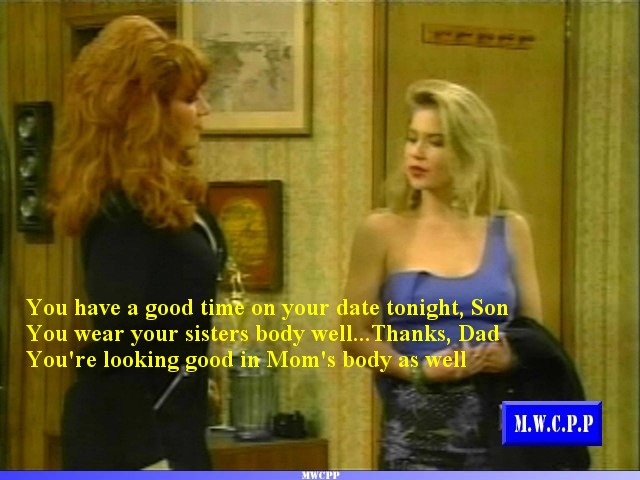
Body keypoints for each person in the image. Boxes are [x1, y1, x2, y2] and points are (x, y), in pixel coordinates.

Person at [48, 15, 226, 470]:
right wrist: (148, 461)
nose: (204, 110)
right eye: (189, 99)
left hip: (175, 421)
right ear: (149, 112)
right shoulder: (121, 213)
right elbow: (116, 352)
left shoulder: (169, 197)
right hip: (130, 441)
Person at [341, 79, 543, 470]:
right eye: (412, 139)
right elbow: (353, 334)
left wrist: (509, 357)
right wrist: (419, 371)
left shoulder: (510, 229)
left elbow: (535, 335)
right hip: (417, 436)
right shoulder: (380, 231)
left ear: (468, 152)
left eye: (435, 142)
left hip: (503, 429)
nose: (417, 152)